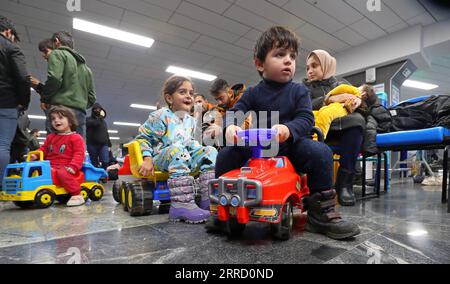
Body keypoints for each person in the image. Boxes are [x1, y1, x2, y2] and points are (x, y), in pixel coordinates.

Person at [216, 26, 360, 240]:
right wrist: (230, 127)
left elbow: (306, 118)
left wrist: (288, 129)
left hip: (292, 148)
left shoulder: (299, 90)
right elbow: (235, 111)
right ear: (259, 64)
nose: (288, 61)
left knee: (320, 151)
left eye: (292, 56)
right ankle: (224, 207)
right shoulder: (254, 92)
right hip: (258, 149)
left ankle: (321, 214)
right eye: (279, 54)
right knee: (225, 154)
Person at [135, 75, 218, 224]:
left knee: (210, 151)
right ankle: (181, 205)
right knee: (178, 150)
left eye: (191, 93)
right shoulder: (160, 116)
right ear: (169, 98)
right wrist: (147, 159)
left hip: (183, 157)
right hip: (162, 158)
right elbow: (143, 139)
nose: (189, 96)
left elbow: (191, 142)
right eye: (182, 92)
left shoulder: (191, 121)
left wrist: (200, 151)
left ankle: (208, 199)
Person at [304, 50, 366, 207]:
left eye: (314, 66)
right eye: (307, 68)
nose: (310, 71)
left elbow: (363, 105)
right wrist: (329, 99)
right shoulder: (304, 89)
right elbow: (302, 107)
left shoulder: (341, 84)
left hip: (344, 133)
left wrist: (357, 103)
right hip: (319, 133)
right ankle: (321, 187)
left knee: (357, 121)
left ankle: (345, 184)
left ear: (326, 65)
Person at [30, 31, 96, 138]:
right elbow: (92, 98)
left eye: (45, 52)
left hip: (60, 111)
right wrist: (79, 104)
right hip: (80, 113)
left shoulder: (57, 53)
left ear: (56, 41)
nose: (44, 56)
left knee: (56, 148)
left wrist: (45, 98)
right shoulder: (87, 69)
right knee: (78, 148)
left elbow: (55, 78)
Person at [30, 106, 86, 207]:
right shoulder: (51, 137)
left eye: (60, 118)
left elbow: (79, 154)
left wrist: (73, 166)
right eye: (53, 119)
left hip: (66, 166)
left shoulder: (75, 137)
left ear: (70, 121)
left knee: (62, 173)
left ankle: (77, 194)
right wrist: (36, 155)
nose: (56, 120)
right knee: (33, 169)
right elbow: (44, 149)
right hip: (49, 165)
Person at [0, 15, 31, 185]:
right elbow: (22, 77)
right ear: (8, 32)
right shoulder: (11, 48)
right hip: (5, 102)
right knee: (3, 144)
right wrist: (24, 101)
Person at [86, 103, 112, 169]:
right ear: (93, 110)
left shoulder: (104, 122)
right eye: (96, 109)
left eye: (99, 109)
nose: (97, 110)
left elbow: (106, 133)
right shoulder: (88, 119)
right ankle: (96, 177)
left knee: (105, 161)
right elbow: (95, 123)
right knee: (94, 162)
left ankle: (103, 176)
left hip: (103, 144)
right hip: (92, 144)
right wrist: (100, 117)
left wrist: (109, 144)